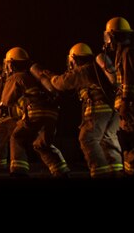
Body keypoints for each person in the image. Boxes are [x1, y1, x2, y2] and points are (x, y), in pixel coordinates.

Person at [33, 42, 121, 177]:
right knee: (108, 139)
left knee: (88, 139)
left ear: (74, 58)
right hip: (113, 110)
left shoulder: (84, 70)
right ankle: (116, 171)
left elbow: (61, 83)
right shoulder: (96, 69)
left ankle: (101, 173)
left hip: (98, 109)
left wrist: (49, 76)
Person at [0, 46, 70, 178]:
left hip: (35, 112)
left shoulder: (17, 77)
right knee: (41, 144)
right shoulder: (36, 76)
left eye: (7, 63)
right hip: (52, 114)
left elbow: (6, 101)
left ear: (11, 64)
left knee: (17, 137)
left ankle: (19, 172)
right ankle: (62, 172)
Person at [100, 16, 134, 176]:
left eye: (108, 36)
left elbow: (130, 81)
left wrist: (124, 102)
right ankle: (132, 172)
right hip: (129, 106)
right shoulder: (123, 53)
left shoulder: (129, 53)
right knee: (128, 141)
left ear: (114, 35)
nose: (107, 40)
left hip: (132, 106)